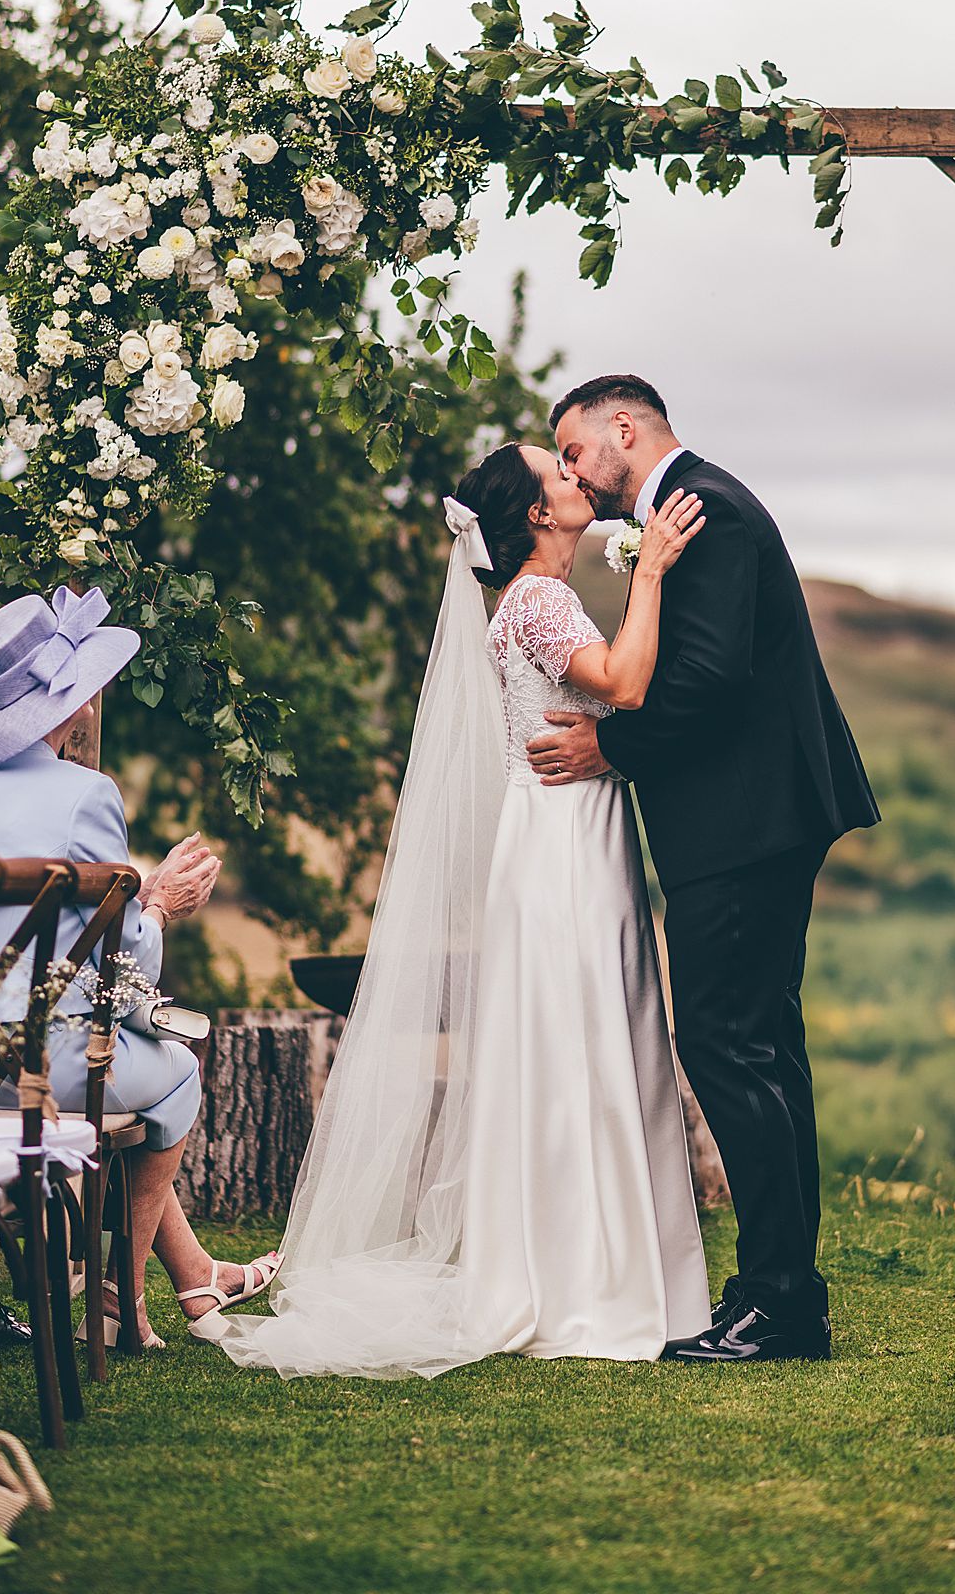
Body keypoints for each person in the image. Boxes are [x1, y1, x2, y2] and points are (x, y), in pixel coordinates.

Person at [216, 446, 711, 1378]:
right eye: (558, 477)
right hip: (564, 834)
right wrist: (648, 574)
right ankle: (585, 1276)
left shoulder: (526, 600)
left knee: (576, 1033)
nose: (578, 481)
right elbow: (624, 685)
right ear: (536, 513)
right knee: (578, 1036)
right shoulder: (538, 599)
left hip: (564, 822)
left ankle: (576, 1256)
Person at [540, 375, 880, 1363]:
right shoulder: (691, 510)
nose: (570, 470)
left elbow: (707, 678)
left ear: (622, 426)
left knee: (729, 1046)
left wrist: (611, 746)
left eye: (572, 449)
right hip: (750, 817)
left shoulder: (708, 512)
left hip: (744, 821)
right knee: (757, 1047)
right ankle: (782, 1294)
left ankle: (777, 1300)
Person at [0, 584, 282, 1347]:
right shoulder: (89, 793)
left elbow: (26, 935)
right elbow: (121, 963)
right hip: (44, 1072)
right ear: (68, 708)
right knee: (175, 1073)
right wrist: (159, 909)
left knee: (135, 1075)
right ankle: (118, 1295)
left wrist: (136, 897)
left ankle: (189, 1277)